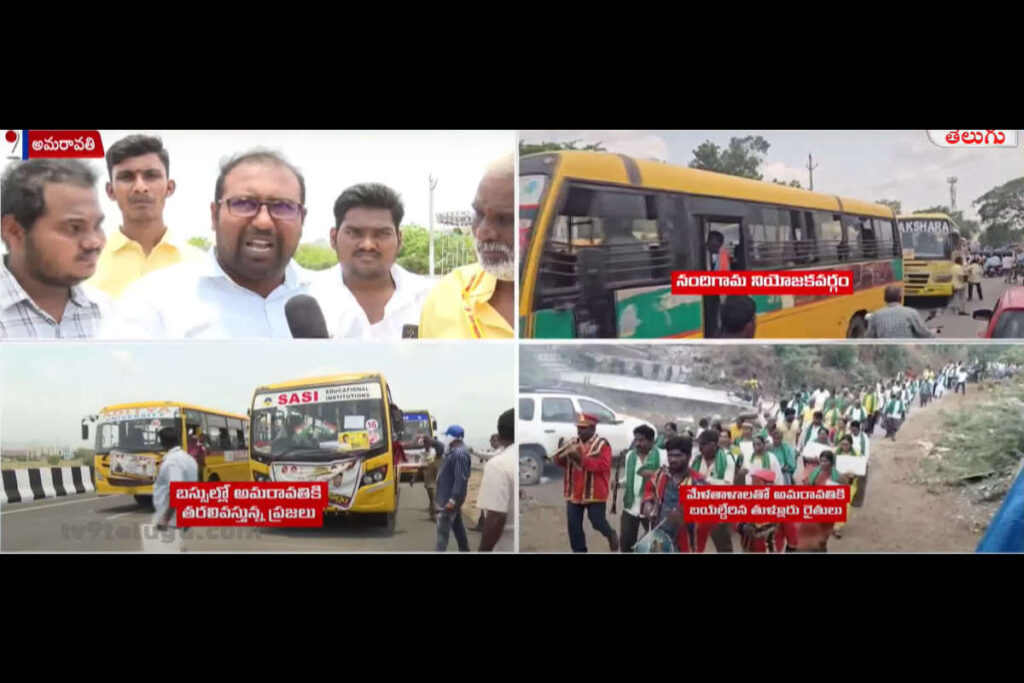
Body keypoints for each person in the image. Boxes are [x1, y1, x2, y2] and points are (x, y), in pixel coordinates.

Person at [109, 150, 315, 338]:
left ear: (302, 219)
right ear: (214, 216)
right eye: (243, 204)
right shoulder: (151, 302)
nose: (263, 222)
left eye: (283, 207)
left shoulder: (334, 303)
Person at [1, 159, 109, 338]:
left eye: (97, 226)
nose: (94, 242)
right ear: (14, 231)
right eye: (74, 227)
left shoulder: (108, 314)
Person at [310, 183, 431, 339]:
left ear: (399, 240)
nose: (368, 245)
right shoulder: (309, 296)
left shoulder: (428, 298)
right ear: (333, 238)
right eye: (354, 233)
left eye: (381, 234)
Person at [89, 134, 202, 298]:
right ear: (110, 191)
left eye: (151, 176)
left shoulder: (197, 264)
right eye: (126, 177)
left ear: (169, 188)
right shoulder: (87, 267)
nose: (140, 187)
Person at [419, 155, 514, 339]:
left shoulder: (575, 303)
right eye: (479, 213)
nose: (482, 233)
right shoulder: (446, 295)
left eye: (505, 219)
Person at [552, 413, 619, 552]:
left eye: (583, 428)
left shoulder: (603, 445)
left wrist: (580, 458)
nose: (579, 431)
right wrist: (559, 455)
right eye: (578, 428)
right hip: (574, 492)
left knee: (597, 522)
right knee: (573, 526)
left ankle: (610, 534)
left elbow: (603, 466)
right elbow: (562, 464)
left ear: (593, 429)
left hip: (594, 492)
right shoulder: (573, 442)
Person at [639, 436, 707, 553]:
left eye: (678, 456)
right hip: (660, 537)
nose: (673, 459)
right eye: (670, 455)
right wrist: (647, 504)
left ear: (689, 456)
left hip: (685, 543)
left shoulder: (699, 483)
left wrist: (685, 517)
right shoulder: (661, 474)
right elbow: (649, 490)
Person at [619, 425, 665, 553]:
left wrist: (655, 474)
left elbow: (668, 477)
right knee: (626, 542)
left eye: (641, 440)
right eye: (636, 440)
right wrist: (619, 483)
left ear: (651, 441)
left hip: (652, 507)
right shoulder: (630, 456)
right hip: (630, 506)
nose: (637, 444)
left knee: (655, 543)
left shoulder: (662, 456)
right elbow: (629, 479)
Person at [477, 409, 515, 552]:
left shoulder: (498, 462)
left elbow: (496, 516)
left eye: (493, 440)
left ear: (500, 436)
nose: (492, 442)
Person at [691, 429, 734, 553]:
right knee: (696, 544)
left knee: (723, 546)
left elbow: (727, 485)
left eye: (703, 444)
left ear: (714, 445)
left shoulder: (727, 458)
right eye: (699, 444)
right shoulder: (697, 459)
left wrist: (705, 481)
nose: (700, 448)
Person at [152, 426, 198, 542]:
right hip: (184, 516)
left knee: (169, 548)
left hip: (172, 520)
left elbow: (177, 492)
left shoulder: (172, 462)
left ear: (163, 443)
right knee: (180, 546)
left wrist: (165, 519)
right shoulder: (188, 459)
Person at [434, 425, 472, 552]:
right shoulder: (454, 452)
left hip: (450, 499)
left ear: (452, 438)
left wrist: (453, 500)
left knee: (442, 533)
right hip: (449, 498)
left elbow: (460, 479)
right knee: (458, 527)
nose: (445, 439)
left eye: (446, 436)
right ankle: (465, 550)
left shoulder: (460, 453)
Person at [865, 285, 934, 338]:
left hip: (884, 352)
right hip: (906, 352)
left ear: (885, 299)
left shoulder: (876, 315)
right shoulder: (911, 313)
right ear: (900, 299)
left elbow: (869, 338)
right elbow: (924, 333)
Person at [419, 433, 446, 521]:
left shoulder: (435, 452)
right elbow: (421, 466)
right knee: (431, 497)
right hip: (428, 477)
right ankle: (432, 515)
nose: (426, 443)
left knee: (434, 497)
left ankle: (434, 516)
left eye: (428, 441)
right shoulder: (423, 453)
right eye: (425, 442)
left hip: (435, 477)